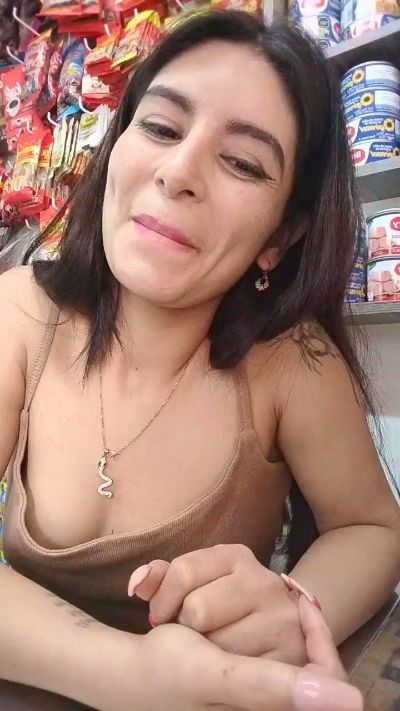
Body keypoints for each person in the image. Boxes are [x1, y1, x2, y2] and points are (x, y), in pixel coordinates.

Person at [0, 9, 398, 710]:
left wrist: (298, 606)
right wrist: (135, 675)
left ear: (280, 237)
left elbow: (373, 528)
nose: (179, 172)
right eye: (160, 127)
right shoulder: (20, 312)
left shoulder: (292, 363)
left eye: (243, 163)